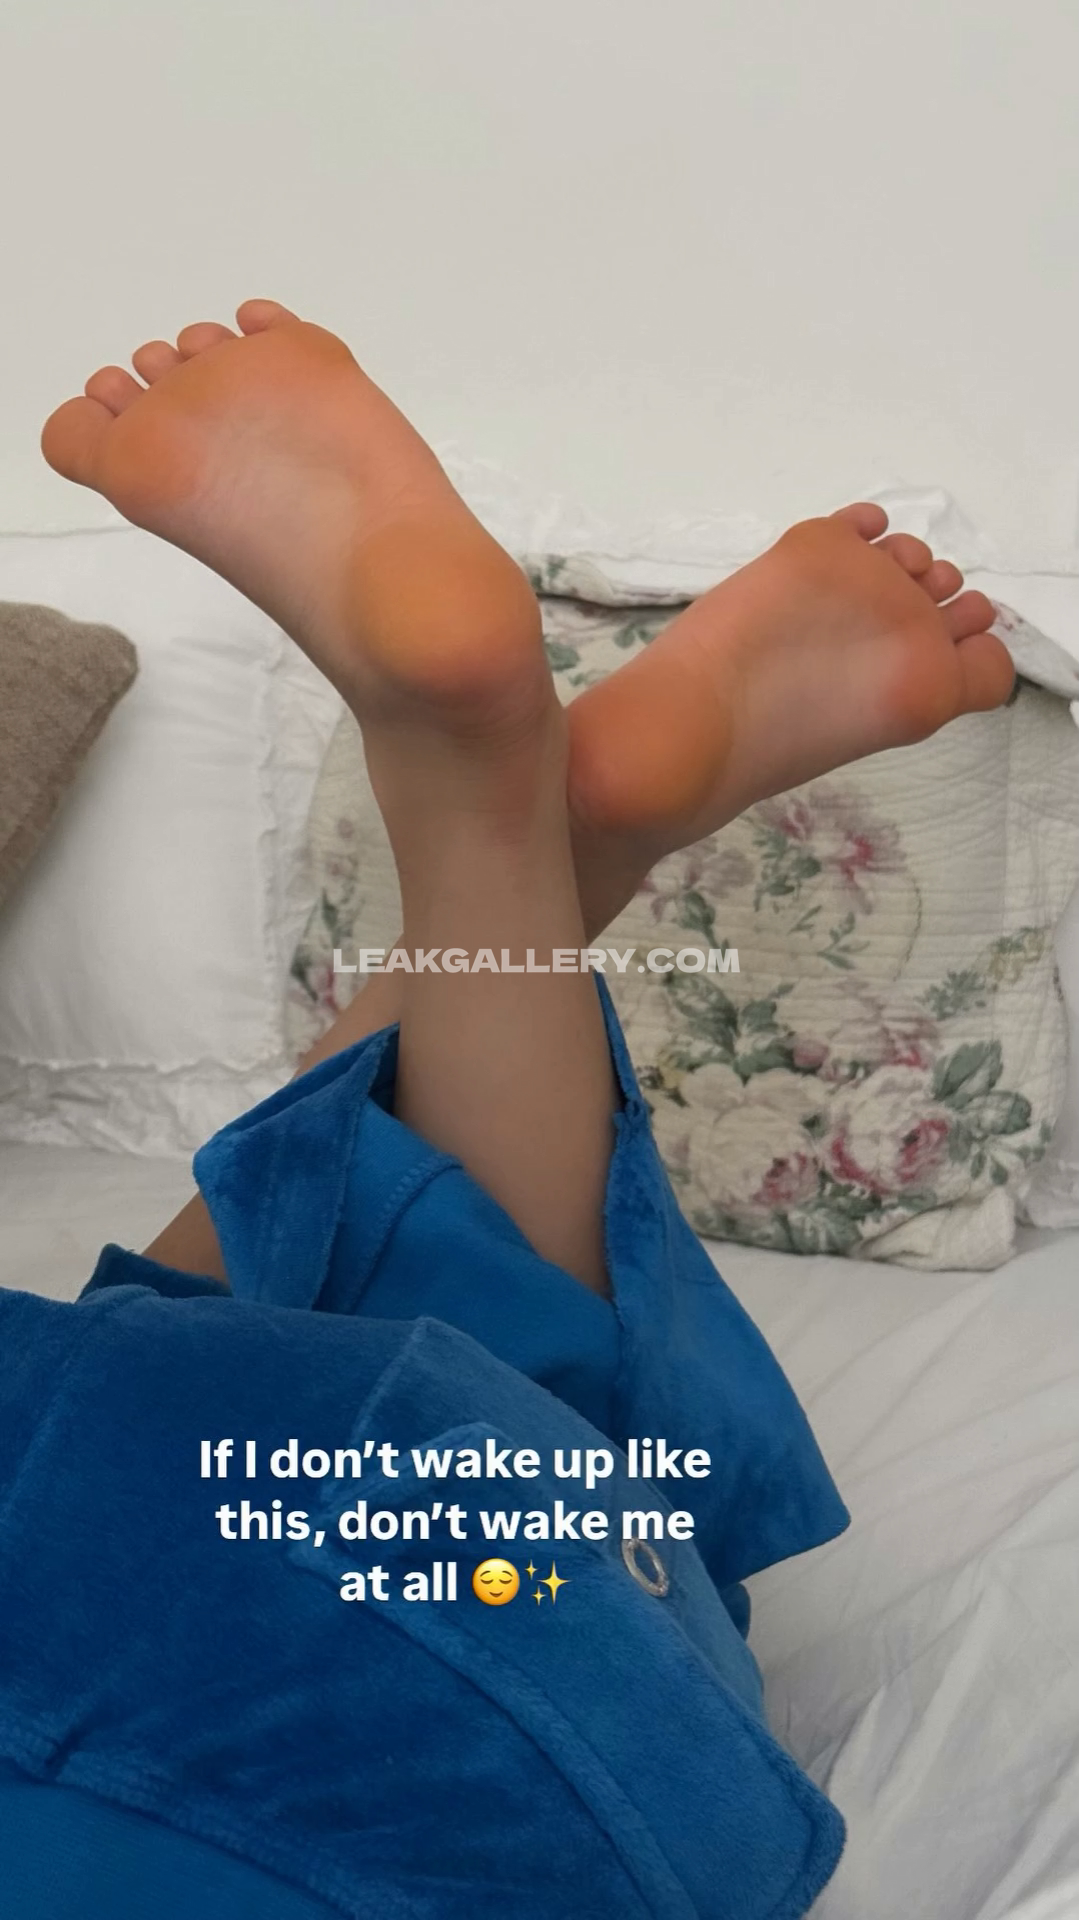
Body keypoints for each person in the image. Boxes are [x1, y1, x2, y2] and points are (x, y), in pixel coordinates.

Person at [0, 302, 1014, 1919]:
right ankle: (511, 844)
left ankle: (502, 829)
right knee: (154, 1422)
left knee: (310, 1477)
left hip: (509, 1732)